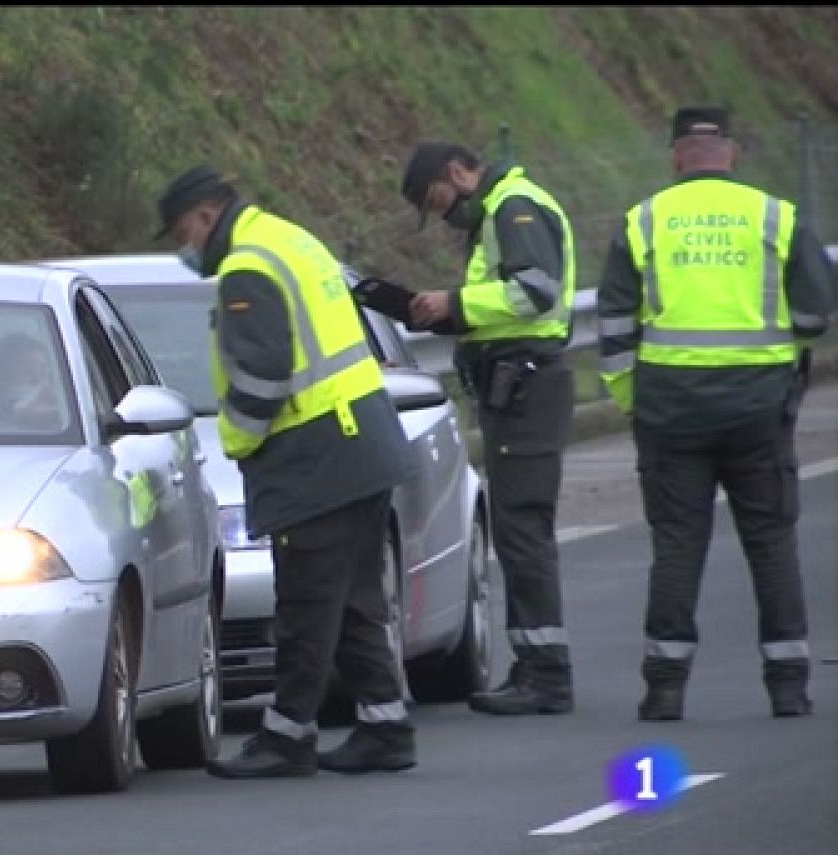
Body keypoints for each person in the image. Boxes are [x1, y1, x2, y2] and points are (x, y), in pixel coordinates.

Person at [156, 165, 416, 778]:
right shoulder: (290, 238)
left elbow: (263, 373)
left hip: (315, 452)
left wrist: (238, 443)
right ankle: (385, 724)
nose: (182, 249)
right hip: (362, 438)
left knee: (305, 601)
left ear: (204, 216)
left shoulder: (248, 265)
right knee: (353, 596)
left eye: (180, 234)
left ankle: (288, 735)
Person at [595, 106, 835, 720]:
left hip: (670, 410)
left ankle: (665, 687)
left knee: (677, 543)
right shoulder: (775, 216)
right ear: (734, 152)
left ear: (675, 155)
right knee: (771, 541)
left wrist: (634, 401)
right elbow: (814, 315)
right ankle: (788, 685)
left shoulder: (644, 220)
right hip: (759, 407)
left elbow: (616, 328)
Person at [398, 141, 578, 716]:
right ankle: (534, 666)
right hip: (517, 385)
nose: (445, 214)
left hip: (527, 385)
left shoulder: (513, 207)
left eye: (440, 199)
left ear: (458, 172)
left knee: (522, 528)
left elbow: (534, 292)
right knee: (519, 526)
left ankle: (545, 675)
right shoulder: (502, 210)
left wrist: (454, 303)